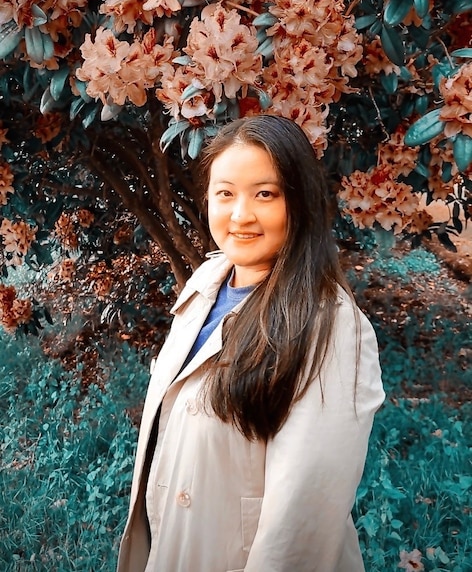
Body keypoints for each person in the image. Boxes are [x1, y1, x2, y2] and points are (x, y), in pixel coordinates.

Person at [117, 114, 385, 572]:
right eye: (225, 193)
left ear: (298, 202)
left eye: (265, 194)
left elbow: (300, 520)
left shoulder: (330, 324)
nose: (240, 215)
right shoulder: (207, 283)